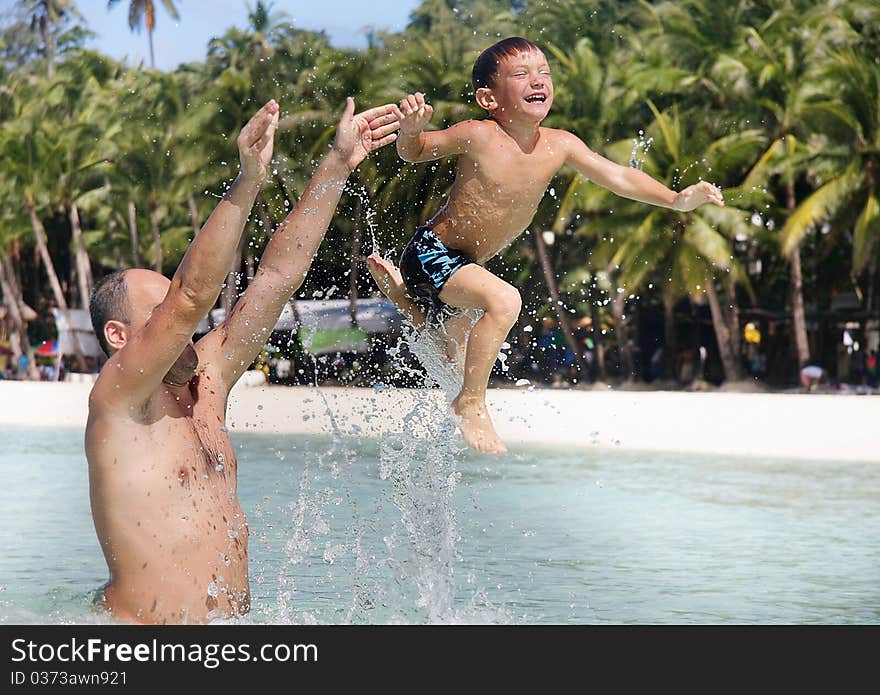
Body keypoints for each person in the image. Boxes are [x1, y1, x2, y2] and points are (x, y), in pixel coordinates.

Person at [85, 96, 399, 625]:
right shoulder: (118, 400)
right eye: (157, 313)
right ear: (119, 337)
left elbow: (278, 275)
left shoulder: (207, 380)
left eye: (171, 312)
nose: (177, 322)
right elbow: (189, 296)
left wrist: (337, 165)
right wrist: (249, 179)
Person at [367, 36, 723, 453]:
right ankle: (471, 402)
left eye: (544, 73)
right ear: (488, 97)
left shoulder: (560, 144)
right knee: (505, 302)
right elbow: (416, 152)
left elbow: (620, 177)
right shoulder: (477, 135)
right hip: (433, 254)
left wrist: (677, 200)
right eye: (521, 74)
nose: (538, 81)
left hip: (467, 266)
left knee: (451, 355)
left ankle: (406, 301)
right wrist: (410, 132)